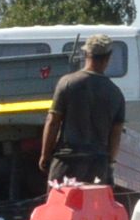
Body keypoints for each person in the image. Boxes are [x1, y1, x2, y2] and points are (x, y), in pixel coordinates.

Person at [42, 35, 127, 188]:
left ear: (86, 54)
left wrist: (45, 155)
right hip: (97, 163)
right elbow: (116, 134)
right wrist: (109, 164)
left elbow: (53, 122)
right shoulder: (116, 93)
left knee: (60, 209)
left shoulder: (67, 83)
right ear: (108, 58)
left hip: (67, 161)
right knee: (94, 211)